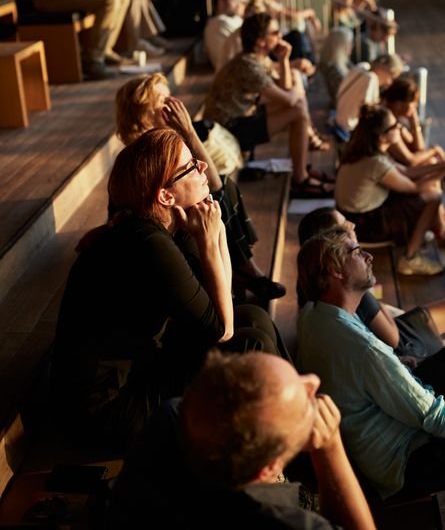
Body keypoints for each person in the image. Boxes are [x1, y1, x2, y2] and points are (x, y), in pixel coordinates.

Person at [50, 128, 288, 446]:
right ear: (165, 195)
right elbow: (222, 329)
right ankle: (283, 442)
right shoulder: (146, 242)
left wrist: (215, 231)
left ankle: (295, 421)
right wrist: (211, 240)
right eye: (191, 166)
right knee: (250, 346)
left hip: (143, 368)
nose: (203, 166)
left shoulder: (165, 227)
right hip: (109, 408)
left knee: (253, 318)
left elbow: (227, 301)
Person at [296, 227, 445, 508]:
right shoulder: (365, 350)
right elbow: (440, 422)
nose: (368, 256)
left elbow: (357, 373)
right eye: (357, 252)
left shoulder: (313, 313)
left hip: (395, 419)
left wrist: (396, 365)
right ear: (335, 270)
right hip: (408, 461)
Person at [106, 349, 377, 529]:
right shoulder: (283, 521)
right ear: (270, 469)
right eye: (305, 401)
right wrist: (330, 447)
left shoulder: (171, 417)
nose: (313, 381)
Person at [114, 73, 286, 302]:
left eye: (171, 97)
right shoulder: (145, 155)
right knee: (215, 198)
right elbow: (212, 186)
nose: (173, 105)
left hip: (175, 215)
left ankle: (244, 270)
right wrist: (188, 131)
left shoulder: (166, 141)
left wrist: (188, 131)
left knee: (225, 187)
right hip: (164, 228)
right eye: (164, 101)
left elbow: (214, 181)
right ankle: (241, 274)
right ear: (143, 113)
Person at [297, 207, 445, 362]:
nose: (352, 226)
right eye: (344, 226)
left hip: (389, 335)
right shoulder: (348, 291)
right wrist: (371, 294)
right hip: (401, 347)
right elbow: (393, 338)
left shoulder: (312, 284)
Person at [203, 12, 333, 199]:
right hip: (227, 130)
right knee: (297, 109)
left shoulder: (258, 59)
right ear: (261, 41)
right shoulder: (248, 65)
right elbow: (289, 98)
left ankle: (301, 172)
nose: (281, 36)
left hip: (240, 117)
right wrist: (298, 84)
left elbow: (285, 89)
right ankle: (300, 178)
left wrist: (284, 60)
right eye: (275, 32)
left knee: (298, 108)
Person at [335, 104, 445, 275]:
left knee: (428, 186)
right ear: (383, 137)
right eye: (394, 126)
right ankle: (410, 258)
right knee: (434, 196)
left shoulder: (367, 151)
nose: (399, 127)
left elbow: (407, 171)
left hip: (352, 216)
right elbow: (414, 187)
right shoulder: (376, 162)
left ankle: (437, 231)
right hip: (364, 226)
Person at [380, 76, 445, 166]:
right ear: (399, 104)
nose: (416, 106)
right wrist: (434, 150)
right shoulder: (386, 123)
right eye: (414, 102)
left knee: (430, 161)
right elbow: (411, 161)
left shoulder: (397, 121)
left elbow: (419, 149)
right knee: (430, 162)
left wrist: (414, 123)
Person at [335, 53, 404, 135]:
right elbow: (368, 111)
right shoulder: (371, 79)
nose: (389, 83)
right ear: (384, 69)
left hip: (338, 118)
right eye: (391, 77)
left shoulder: (362, 66)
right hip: (349, 127)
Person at [203, 0, 244, 71]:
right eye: (233, 0)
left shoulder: (217, 22)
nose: (238, 4)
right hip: (233, 69)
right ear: (220, 2)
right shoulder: (221, 22)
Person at [319, 26, 354, 108]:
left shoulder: (346, 63)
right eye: (349, 43)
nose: (351, 46)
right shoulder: (332, 70)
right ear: (341, 46)